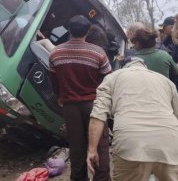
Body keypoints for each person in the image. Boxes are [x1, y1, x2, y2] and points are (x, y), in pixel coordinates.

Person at [87, 57, 178, 181]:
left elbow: (98, 115)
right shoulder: (166, 81)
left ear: (124, 66)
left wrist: (92, 149)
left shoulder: (112, 77)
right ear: (145, 66)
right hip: (170, 142)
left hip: (131, 145)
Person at [49, 15, 112, 181]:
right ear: (88, 31)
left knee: (76, 147)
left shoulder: (55, 53)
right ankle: (102, 178)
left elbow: (54, 81)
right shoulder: (98, 53)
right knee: (99, 145)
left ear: (69, 30)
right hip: (94, 105)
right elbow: (108, 80)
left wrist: (59, 97)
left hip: (70, 106)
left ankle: (78, 178)